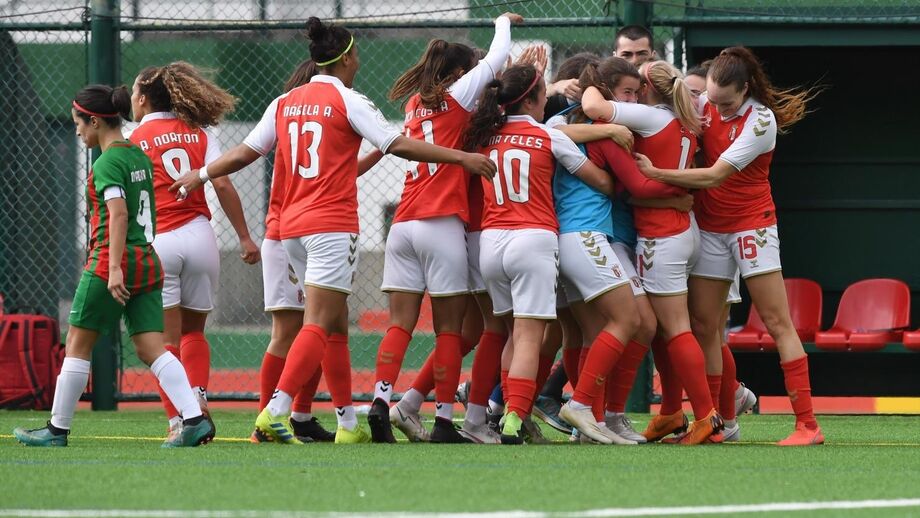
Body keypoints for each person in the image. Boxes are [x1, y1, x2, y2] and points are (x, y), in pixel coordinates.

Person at [172, 17, 496, 445]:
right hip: (330, 225)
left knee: (333, 325)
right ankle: (276, 410)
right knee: (318, 324)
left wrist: (201, 174)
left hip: (291, 229)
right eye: (356, 54)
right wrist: (462, 158)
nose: (358, 62)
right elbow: (396, 144)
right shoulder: (348, 100)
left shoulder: (284, 102)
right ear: (345, 59)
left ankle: (345, 424)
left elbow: (246, 152)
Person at [636, 46, 824, 446]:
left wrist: (655, 174)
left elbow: (714, 175)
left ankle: (808, 425)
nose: (717, 110)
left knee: (777, 322)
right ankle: (717, 424)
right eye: (712, 101)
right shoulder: (705, 103)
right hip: (710, 229)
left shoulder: (761, 120)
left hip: (752, 227)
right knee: (705, 325)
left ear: (746, 89)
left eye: (726, 103)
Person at [13, 85, 212, 448]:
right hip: (146, 260)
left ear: (94, 121)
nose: (77, 131)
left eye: (78, 123)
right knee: (152, 347)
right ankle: (194, 419)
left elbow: (118, 215)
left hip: (111, 261)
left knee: (77, 342)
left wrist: (115, 269)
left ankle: (56, 430)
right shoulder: (137, 154)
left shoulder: (106, 162)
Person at [366, 13, 523, 444]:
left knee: (399, 324)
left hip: (403, 223)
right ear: (458, 74)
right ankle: (443, 421)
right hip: (443, 224)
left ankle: (381, 400)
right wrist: (502, 22)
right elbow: (496, 56)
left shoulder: (413, 106)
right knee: (451, 330)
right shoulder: (459, 97)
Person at [463, 63, 616, 443]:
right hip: (533, 238)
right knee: (531, 336)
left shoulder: (484, 134)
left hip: (491, 242)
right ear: (531, 99)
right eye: (544, 94)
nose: (547, 99)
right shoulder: (548, 135)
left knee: (512, 335)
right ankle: (514, 419)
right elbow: (598, 180)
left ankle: (508, 415)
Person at [582, 59, 725, 445]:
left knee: (676, 329)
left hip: (661, 238)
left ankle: (707, 417)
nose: (632, 96)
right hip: (685, 229)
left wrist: (591, 80)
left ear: (647, 88)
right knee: (666, 329)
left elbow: (594, 106)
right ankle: (672, 412)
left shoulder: (650, 116)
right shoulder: (686, 120)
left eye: (637, 87)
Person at [129, 61, 260, 442]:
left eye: (134, 92)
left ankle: (179, 421)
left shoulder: (133, 138)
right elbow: (222, 183)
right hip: (201, 236)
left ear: (143, 98)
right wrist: (245, 237)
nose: (132, 98)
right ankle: (199, 397)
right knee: (195, 333)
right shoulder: (200, 132)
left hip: (160, 241)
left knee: (164, 343)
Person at [250, 59, 339, 444]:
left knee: (316, 327)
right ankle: (264, 420)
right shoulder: (292, 125)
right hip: (287, 234)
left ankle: (300, 415)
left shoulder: (299, 126)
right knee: (288, 331)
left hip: (299, 233)